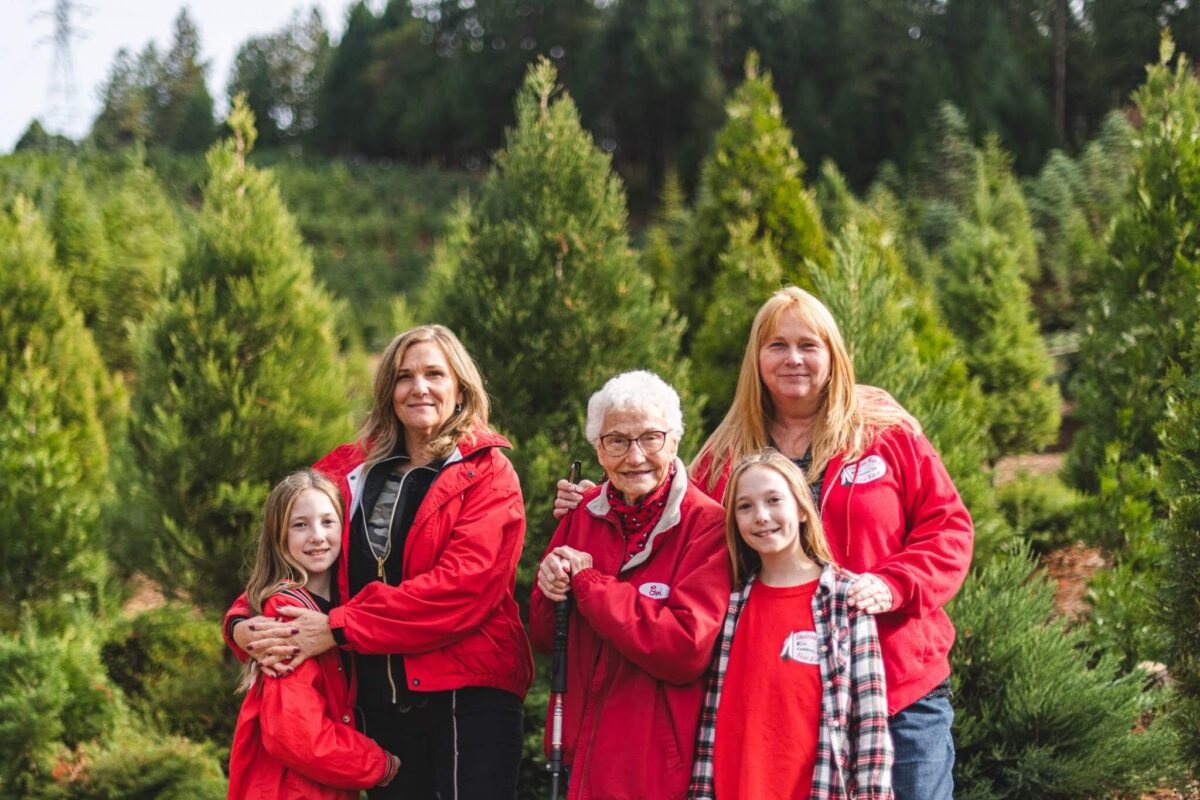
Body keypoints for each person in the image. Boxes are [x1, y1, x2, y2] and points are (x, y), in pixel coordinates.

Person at [556, 287, 973, 800]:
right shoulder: (727, 453)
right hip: (780, 697)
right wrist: (606, 495)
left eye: (809, 345)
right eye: (776, 345)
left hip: (894, 683)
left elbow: (949, 529)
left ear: (833, 355)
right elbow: (674, 518)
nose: (793, 358)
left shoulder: (886, 435)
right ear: (756, 358)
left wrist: (894, 586)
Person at [225, 325, 533, 800]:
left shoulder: (488, 474)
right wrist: (244, 622)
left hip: (467, 696)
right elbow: (296, 544)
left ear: (461, 387)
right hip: (377, 705)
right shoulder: (350, 468)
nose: (419, 387)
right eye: (404, 376)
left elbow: (464, 589)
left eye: (434, 373)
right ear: (389, 390)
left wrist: (339, 627)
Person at [530, 370, 732, 800]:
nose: (635, 455)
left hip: (654, 764)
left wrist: (589, 584)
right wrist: (549, 591)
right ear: (599, 451)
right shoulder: (582, 512)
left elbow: (685, 646)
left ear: (675, 441)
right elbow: (548, 636)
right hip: (578, 754)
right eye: (618, 441)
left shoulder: (707, 525)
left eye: (650, 438)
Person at [688, 450, 892, 800]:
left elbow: (871, 726)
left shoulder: (845, 600)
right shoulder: (729, 605)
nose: (761, 516)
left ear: (800, 508)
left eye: (773, 500)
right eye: (745, 506)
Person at [227, 469, 401, 800]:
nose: (317, 535)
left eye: (328, 521)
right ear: (279, 537)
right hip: (292, 789)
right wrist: (379, 765)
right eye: (300, 525)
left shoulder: (340, 605)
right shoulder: (287, 614)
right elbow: (296, 735)